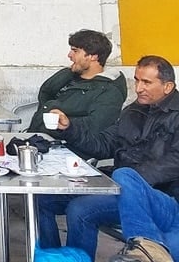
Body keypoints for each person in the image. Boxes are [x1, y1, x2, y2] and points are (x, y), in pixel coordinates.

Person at [38, 55, 179, 262]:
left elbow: (174, 163)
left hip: (160, 196)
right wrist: (69, 128)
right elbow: (104, 144)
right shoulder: (133, 111)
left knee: (81, 209)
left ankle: (147, 248)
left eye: (146, 82)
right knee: (43, 198)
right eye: (137, 80)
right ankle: (57, 257)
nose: (138, 88)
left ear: (167, 87)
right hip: (119, 185)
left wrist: (128, 181)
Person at [27, 29, 126, 136]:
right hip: (39, 137)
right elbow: (45, 92)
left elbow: (96, 126)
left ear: (93, 56)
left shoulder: (109, 91)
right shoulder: (68, 74)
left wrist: (66, 124)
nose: (69, 55)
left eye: (75, 51)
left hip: (66, 146)